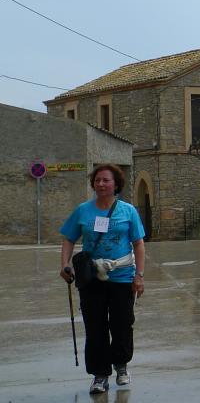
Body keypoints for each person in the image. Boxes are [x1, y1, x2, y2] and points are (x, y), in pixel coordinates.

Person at [59, 164, 145, 395]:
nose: (101, 184)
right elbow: (68, 238)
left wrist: (139, 276)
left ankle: (121, 365)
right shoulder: (83, 211)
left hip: (122, 277)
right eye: (97, 180)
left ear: (116, 184)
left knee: (122, 324)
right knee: (95, 326)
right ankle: (100, 375)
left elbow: (138, 243)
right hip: (91, 279)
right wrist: (64, 264)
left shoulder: (128, 211)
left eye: (106, 180)